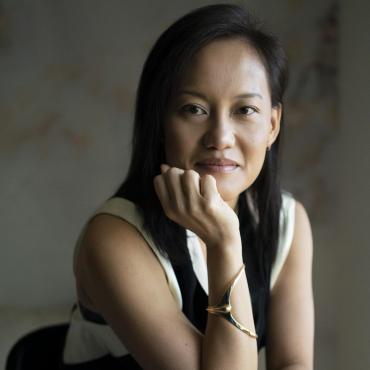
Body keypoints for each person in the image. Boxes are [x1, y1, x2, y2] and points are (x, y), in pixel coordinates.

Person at [62, 4, 314, 370]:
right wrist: (224, 241)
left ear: (273, 125)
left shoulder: (287, 221)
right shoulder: (115, 237)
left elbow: (293, 363)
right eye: (194, 109)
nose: (220, 138)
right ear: (160, 119)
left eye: (245, 110)